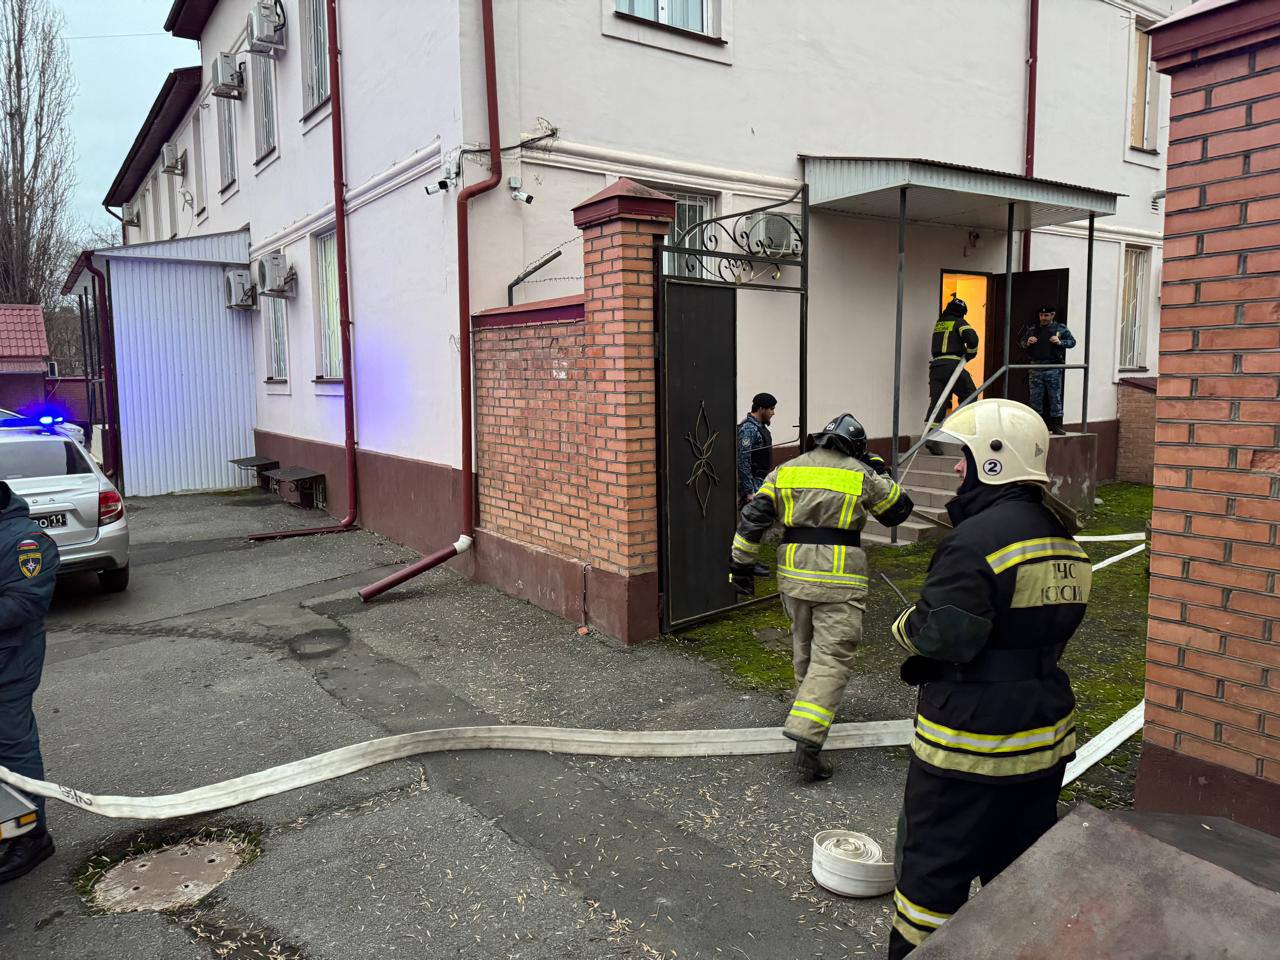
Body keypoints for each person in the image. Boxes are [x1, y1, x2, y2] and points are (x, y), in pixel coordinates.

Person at [884, 398, 1090, 959]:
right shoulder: (1064, 540)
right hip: (1042, 739)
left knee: (930, 878)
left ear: (993, 461)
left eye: (965, 456)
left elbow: (942, 638)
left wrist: (905, 628)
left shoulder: (972, 543)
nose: (956, 468)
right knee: (1016, 875)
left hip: (968, 745)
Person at [729, 414, 914, 782]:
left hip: (794, 576)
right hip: (839, 578)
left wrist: (741, 568)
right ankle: (808, 740)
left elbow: (752, 519)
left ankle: (808, 709)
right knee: (833, 658)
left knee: (804, 648)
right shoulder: (861, 475)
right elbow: (898, 510)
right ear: (856, 447)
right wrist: (879, 469)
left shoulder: (786, 470)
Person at [0, 481, 60, 885]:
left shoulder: (26, 541)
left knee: (11, 746)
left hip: (9, 665)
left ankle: (30, 833)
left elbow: (24, 601)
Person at [924, 295, 979, 455]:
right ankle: (961, 429)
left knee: (938, 403)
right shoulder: (959, 322)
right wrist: (970, 354)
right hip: (952, 365)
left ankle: (932, 437)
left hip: (936, 367)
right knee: (970, 394)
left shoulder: (940, 323)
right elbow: (973, 338)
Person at [1019, 305, 1076, 435]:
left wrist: (1060, 342)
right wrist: (1027, 342)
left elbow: (1072, 342)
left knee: (1054, 397)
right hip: (1036, 368)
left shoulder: (1060, 328)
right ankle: (1036, 426)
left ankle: (1056, 425)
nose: (1043, 318)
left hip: (1053, 368)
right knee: (1035, 398)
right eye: (1041, 315)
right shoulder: (1033, 329)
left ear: (1052, 315)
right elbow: (1022, 343)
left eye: (1046, 315)